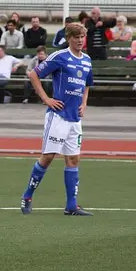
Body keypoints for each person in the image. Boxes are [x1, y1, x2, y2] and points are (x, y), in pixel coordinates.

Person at [20, 23, 94, 216]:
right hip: (58, 116)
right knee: (48, 157)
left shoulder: (87, 60)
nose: (80, 40)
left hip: (75, 119)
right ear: (69, 38)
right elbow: (33, 74)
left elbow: (87, 83)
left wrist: (84, 103)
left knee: (73, 159)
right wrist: (46, 99)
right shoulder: (59, 57)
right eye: (76, 37)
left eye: (82, 37)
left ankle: (71, 206)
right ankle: (27, 196)